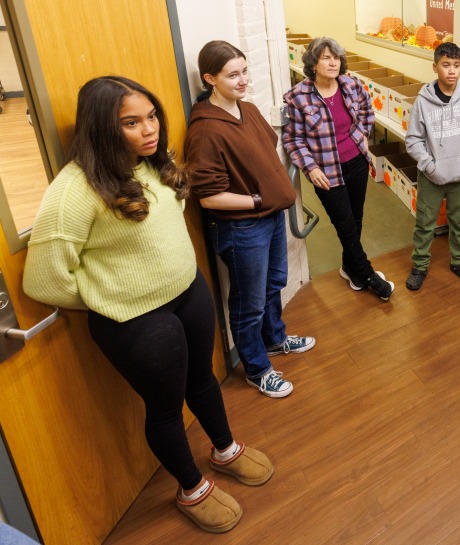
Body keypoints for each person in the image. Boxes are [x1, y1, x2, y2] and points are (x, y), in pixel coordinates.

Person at [22, 76, 274, 533]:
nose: (150, 128)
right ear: (103, 127)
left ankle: (225, 449)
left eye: (152, 116)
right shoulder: (74, 189)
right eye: (131, 122)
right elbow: (43, 280)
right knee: (165, 407)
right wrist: (106, 295)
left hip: (188, 292)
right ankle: (191, 488)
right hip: (136, 319)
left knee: (202, 378)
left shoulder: (154, 162)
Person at [185, 40, 315, 400]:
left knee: (274, 283)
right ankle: (257, 369)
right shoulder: (205, 130)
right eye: (232, 75)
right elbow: (209, 196)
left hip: (270, 217)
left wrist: (270, 199)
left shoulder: (249, 109)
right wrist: (258, 199)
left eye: (245, 71)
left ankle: (274, 339)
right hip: (243, 227)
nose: (243, 80)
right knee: (249, 303)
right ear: (210, 79)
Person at [282, 36, 395, 300]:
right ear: (313, 63)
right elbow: (293, 140)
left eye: (336, 58)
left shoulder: (351, 84)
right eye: (326, 58)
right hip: (326, 172)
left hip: (357, 162)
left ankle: (350, 269)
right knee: (345, 225)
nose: (333, 63)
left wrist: (362, 135)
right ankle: (367, 274)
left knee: (356, 219)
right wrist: (310, 168)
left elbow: (367, 109)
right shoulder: (298, 97)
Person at [404, 42, 460, 290]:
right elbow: (413, 140)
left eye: (456, 65)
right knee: (424, 224)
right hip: (431, 177)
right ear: (435, 67)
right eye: (446, 65)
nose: (452, 71)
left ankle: (459, 262)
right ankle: (419, 265)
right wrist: (430, 166)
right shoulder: (423, 102)